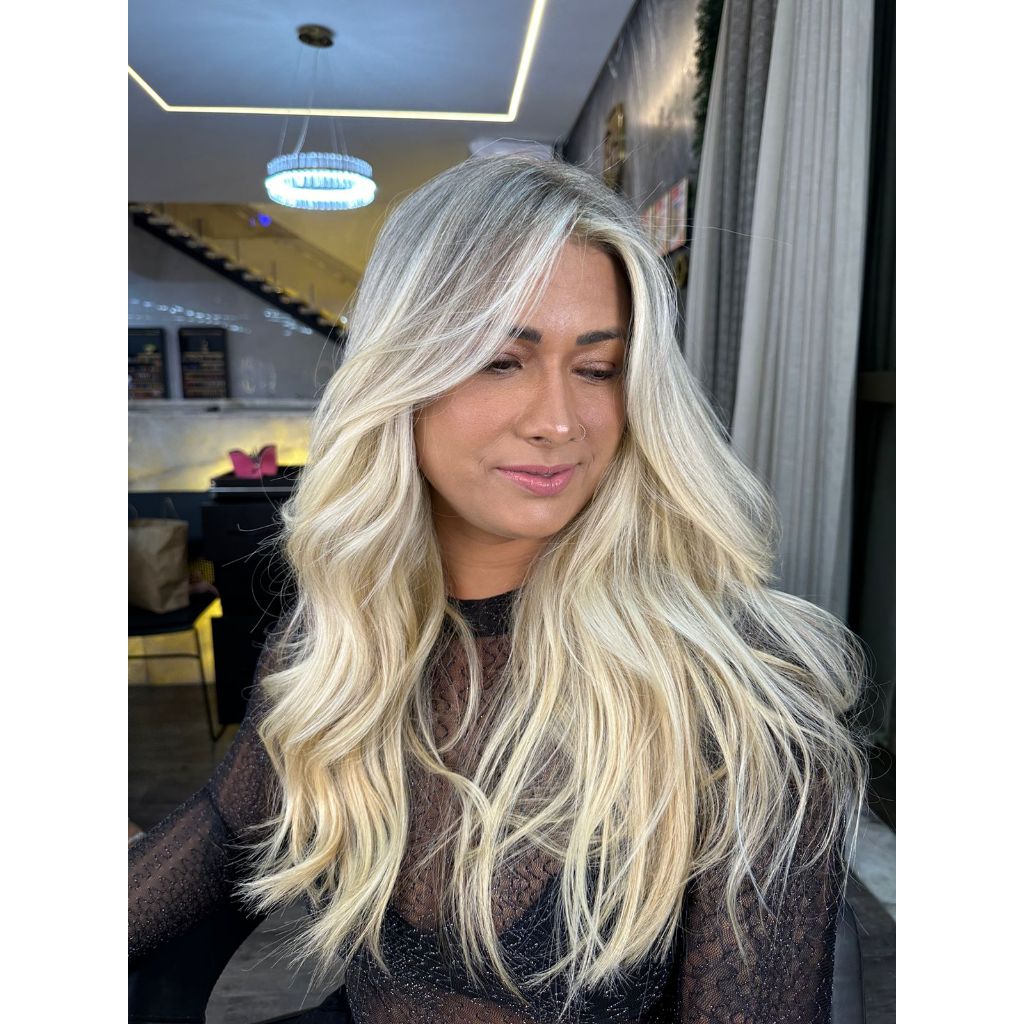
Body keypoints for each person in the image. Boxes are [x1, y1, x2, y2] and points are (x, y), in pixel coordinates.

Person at [129, 154, 868, 1024]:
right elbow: (223, 830)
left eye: (598, 369)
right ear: (400, 375)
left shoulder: (742, 700)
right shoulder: (345, 639)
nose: (557, 420)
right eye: (500, 360)